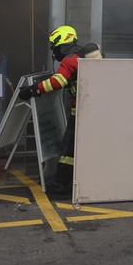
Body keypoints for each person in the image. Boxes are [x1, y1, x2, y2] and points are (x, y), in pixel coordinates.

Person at [18, 24, 102, 195]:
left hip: (80, 113)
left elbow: (57, 82)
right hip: (98, 110)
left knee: (69, 150)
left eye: (54, 46)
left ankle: (61, 183)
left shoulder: (70, 60)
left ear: (61, 44)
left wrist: (33, 90)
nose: (54, 51)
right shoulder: (85, 56)